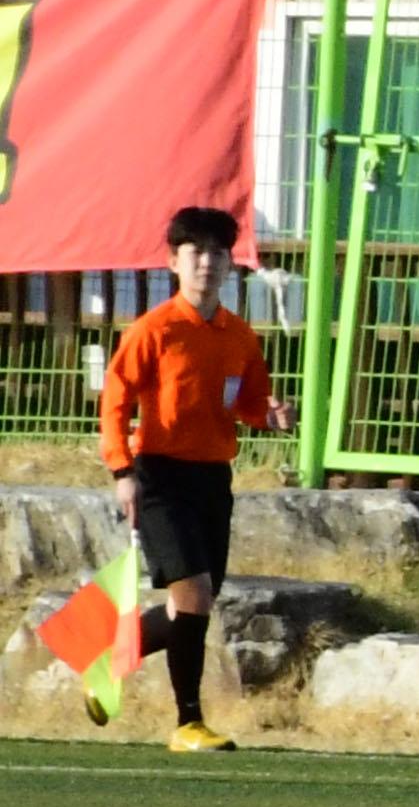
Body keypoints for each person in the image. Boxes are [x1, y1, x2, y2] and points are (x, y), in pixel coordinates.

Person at [97, 205, 291, 752]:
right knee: (197, 596)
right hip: (159, 476)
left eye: (218, 252)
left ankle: (106, 654)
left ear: (231, 263)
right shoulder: (154, 329)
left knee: (190, 606)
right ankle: (188, 723)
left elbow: (249, 401)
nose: (207, 262)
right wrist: (121, 469)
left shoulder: (239, 335)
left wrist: (270, 415)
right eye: (196, 252)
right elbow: (115, 398)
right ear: (174, 262)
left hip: (213, 478)